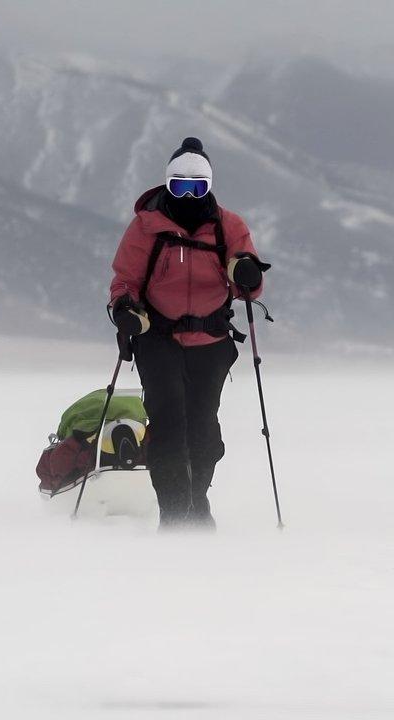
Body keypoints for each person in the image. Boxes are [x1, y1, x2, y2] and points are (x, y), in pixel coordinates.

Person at [108, 137, 268, 530]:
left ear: (209, 186)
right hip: (158, 340)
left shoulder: (228, 226)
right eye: (180, 186)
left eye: (198, 187)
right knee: (167, 426)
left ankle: (197, 504)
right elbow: (125, 280)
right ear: (168, 184)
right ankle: (175, 515)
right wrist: (125, 309)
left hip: (211, 342)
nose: (189, 196)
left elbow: (246, 280)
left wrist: (247, 273)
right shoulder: (147, 227)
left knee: (203, 430)